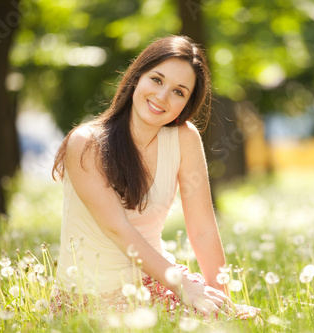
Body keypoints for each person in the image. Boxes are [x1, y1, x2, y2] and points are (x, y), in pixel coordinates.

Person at [50, 35, 259, 319]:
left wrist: (222, 304)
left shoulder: (185, 138)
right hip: (93, 295)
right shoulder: (87, 143)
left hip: (158, 282)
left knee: (246, 320)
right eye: (157, 80)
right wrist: (184, 286)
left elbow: (203, 229)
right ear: (137, 77)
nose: (162, 96)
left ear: (186, 104)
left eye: (179, 92)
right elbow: (118, 229)